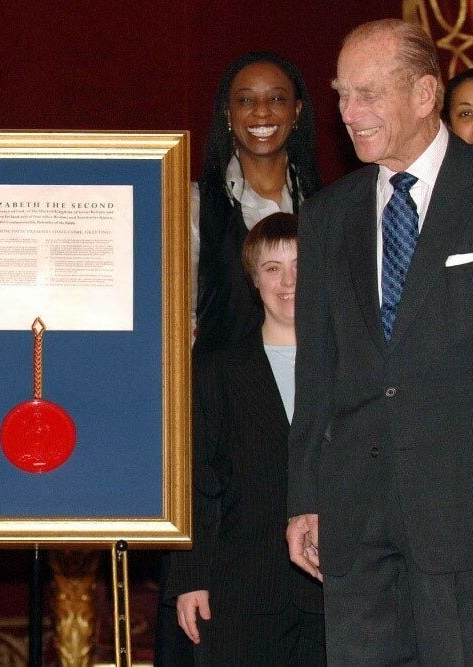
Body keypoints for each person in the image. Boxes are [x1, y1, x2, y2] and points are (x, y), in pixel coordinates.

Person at [286, 19, 473, 664]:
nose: (348, 112)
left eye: (367, 94)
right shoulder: (328, 216)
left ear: (425, 95)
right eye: (341, 95)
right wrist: (305, 499)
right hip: (356, 521)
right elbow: (317, 374)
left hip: (471, 518)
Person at [164, 212, 324, 665]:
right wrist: (191, 576)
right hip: (240, 591)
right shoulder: (217, 371)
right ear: (254, 279)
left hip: (339, 592)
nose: (289, 281)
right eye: (273, 268)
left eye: (301, 265)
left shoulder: (352, 367)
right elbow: (198, 480)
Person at [192, 52, 323, 353]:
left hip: (311, 388)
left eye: (277, 99)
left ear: (297, 111)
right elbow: (177, 320)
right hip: (223, 391)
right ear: (228, 113)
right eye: (245, 101)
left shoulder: (327, 207)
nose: (262, 112)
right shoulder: (194, 207)